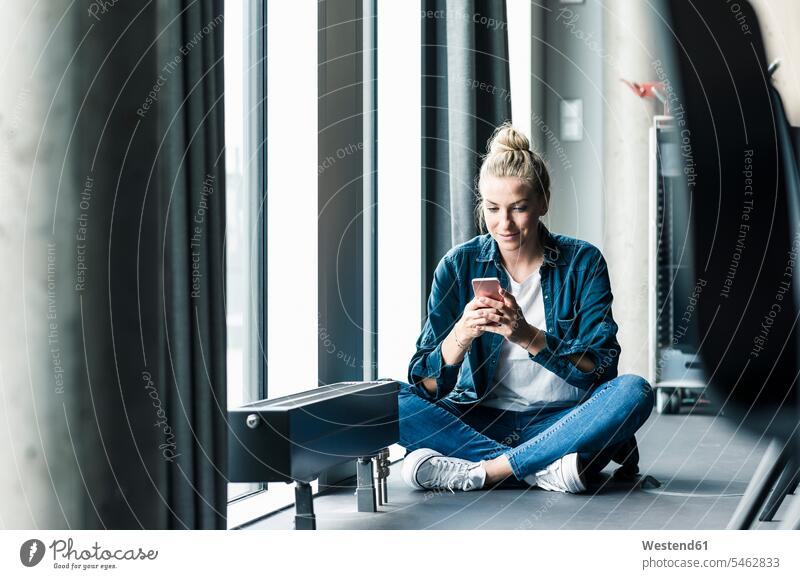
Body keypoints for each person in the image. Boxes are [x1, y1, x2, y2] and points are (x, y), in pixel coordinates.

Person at [398, 122, 654, 494]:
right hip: (481, 418)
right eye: (492, 209)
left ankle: (488, 470)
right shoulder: (457, 265)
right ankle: (542, 467)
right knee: (386, 401)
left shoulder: (583, 262)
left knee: (635, 391)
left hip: (563, 420)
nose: (504, 224)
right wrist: (462, 334)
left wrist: (527, 336)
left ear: (543, 202)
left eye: (518, 208)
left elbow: (601, 368)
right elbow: (425, 385)